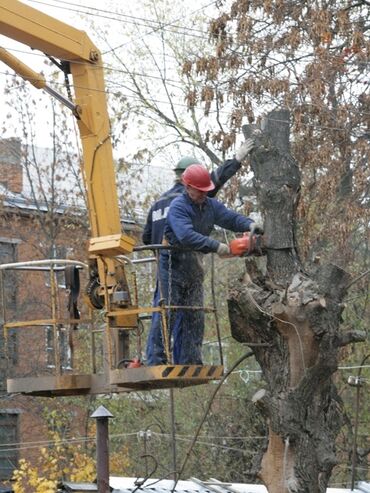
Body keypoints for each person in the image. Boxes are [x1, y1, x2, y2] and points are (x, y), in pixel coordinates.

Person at [143, 140, 255, 365]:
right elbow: (185, 236)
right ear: (188, 186)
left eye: (207, 191)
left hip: (192, 264)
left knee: (194, 313)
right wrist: (217, 247)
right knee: (168, 311)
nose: (206, 194)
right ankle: (156, 360)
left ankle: (189, 360)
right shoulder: (178, 206)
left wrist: (250, 224)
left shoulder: (200, 202)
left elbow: (229, 217)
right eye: (201, 191)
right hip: (172, 264)